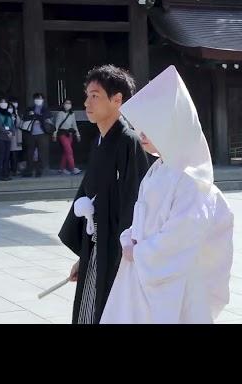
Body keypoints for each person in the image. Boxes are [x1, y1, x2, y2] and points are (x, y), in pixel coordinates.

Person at [100, 65, 234, 324]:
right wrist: (130, 237)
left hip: (172, 278)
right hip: (143, 269)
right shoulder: (158, 170)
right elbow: (143, 216)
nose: (142, 134)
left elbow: (181, 235)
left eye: (151, 127)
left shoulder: (191, 180)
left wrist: (141, 252)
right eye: (142, 127)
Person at [58, 65, 150, 324]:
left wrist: (126, 258)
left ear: (117, 99)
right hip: (98, 247)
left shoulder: (128, 141)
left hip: (117, 252)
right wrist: (85, 257)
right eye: (87, 95)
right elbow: (88, 196)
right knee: (90, 314)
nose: (87, 102)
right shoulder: (100, 141)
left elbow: (134, 202)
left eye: (95, 95)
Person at [21, 92, 54, 178]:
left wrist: (35, 116)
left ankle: (39, 171)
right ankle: (29, 171)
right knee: (30, 153)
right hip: (31, 134)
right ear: (34, 100)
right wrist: (39, 117)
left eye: (40, 98)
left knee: (41, 153)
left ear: (43, 100)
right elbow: (25, 117)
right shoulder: (29, 109)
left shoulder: (45, 109)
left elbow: (45, 117)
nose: (38, 100)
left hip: (42, 134)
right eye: (37, 98)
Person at [53, 99, 81, 175]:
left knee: (66, 152)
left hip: (70, 134)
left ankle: (62, 169)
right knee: (69, 151)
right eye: (66, 103)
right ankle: (72, 168)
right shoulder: (60, 113)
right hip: (62, 134)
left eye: (69, 103)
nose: (68, 105)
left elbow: (74, 125)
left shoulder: (72, 114)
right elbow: (57, 125)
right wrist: (54, 134)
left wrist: (78, 134)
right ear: (63, 104)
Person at [0, 98, 15, 181]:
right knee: (1, 156)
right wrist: (7, 132)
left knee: (7, 156)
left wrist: (12, 132)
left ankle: (6, 174)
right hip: (0, 137)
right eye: (1, 102)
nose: (3, 103)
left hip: (8, 138)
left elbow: (12, 125)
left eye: (5, 102)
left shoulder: (8, 114)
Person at [8, 98, 23, 176]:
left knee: (15, 153)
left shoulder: (18, 113)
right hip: (9, 135)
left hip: (17, 136)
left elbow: (19, 124)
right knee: (10, 153)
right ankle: (11, 169)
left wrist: (16, 116)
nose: (14, 104)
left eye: (15, 102)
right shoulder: (6, 114)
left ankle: (15, 169)